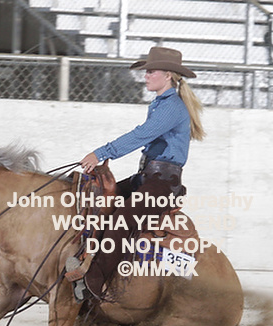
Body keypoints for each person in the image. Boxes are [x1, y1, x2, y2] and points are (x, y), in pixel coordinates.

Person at [67, 46, 205, 302]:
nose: (146, 76)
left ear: (168, 75)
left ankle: (92, 283)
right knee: (97, 198)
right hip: (149, 178)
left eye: (151, 71)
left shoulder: (172, 107)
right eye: (146, 71)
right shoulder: (161, 104)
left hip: (163, 183)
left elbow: (142, 135)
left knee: (123, 219)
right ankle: (85, 256)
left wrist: (101, 153)